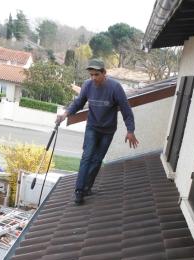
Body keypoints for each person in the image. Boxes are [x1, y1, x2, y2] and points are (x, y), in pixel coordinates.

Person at [56, 58, 139, 205]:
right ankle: (79, 191)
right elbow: (78, 103)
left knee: (97, 159)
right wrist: (65, 114)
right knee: (87, 157)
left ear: (104, 73)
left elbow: (126, 109)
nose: (93, 78)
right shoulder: (87, 86)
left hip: (108, 130)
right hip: (92, 127)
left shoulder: (115, 87)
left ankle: (87, 187)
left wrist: (130, 130)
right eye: (91, 75)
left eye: (96, 74)